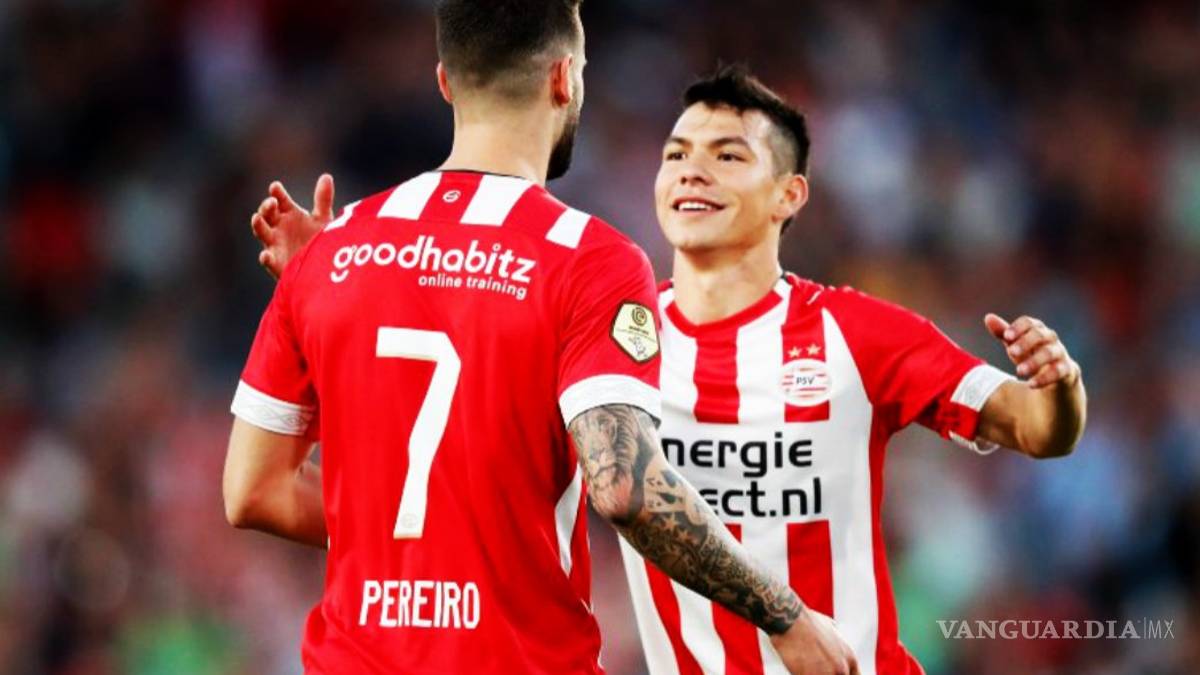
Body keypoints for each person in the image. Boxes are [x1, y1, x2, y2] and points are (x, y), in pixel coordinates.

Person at [251, 64, 1086, 673]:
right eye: (677, 152)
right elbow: (444, 452)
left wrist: (1061, 389)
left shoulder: (856, 332)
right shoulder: (601, 343)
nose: (692, 169)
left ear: (789, 195)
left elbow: (1035, 427)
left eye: (728, 155)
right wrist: (336, 281)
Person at [224, 2, 856, 674]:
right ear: (563, 78)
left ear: (445, 81)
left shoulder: (333, 252)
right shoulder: (589, 259)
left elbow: (252, 490)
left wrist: (323, 284)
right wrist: (783, 613)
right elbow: (624, 487)